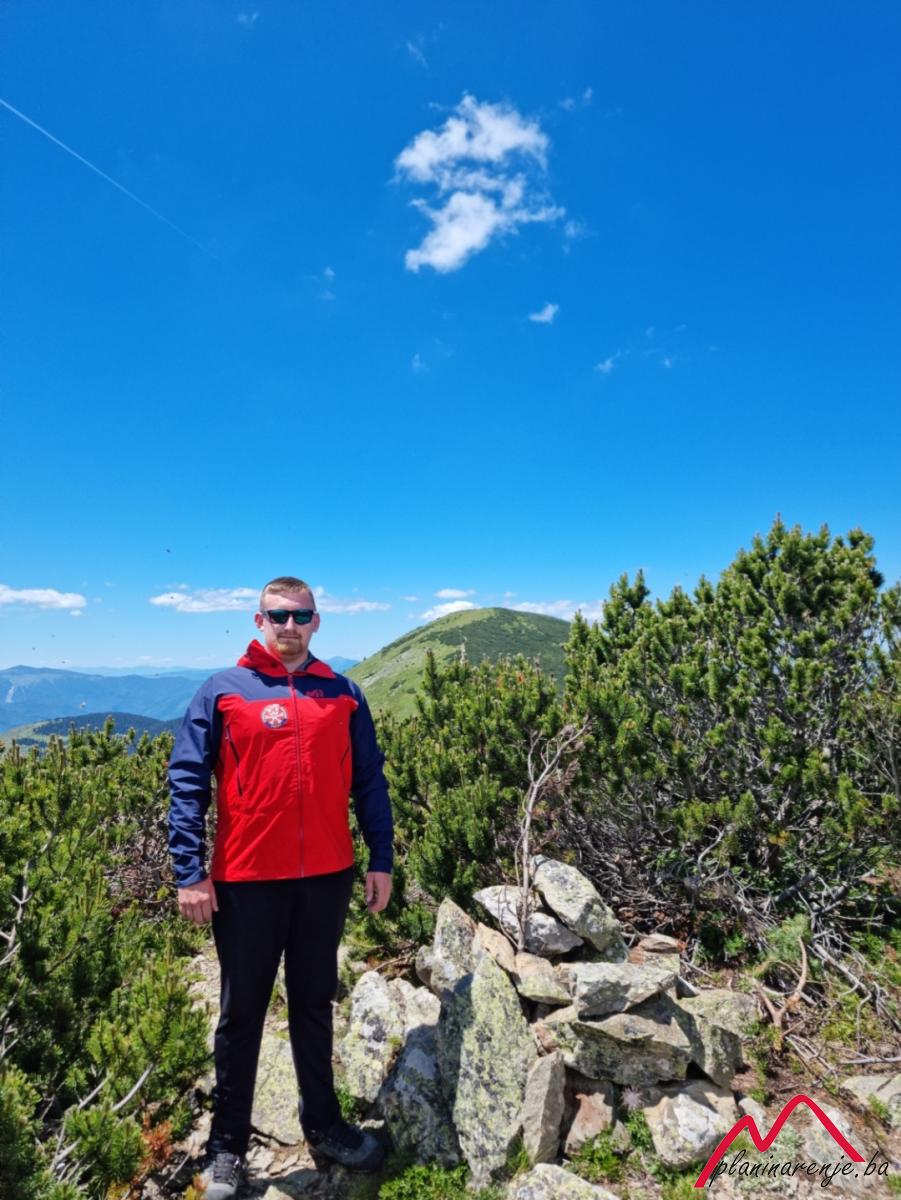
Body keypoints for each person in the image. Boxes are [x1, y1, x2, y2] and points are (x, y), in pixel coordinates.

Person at [168, 576, 393, 1199]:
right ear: (258, 619)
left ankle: (323, 1124)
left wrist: (380, 857)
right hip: (245, 881)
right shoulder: (223, 691)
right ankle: (226, 1149)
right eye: (278, 615)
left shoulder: (342, 693)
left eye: (300, 615)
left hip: (326, 875)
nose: (289, 626)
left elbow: (369, 781)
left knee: (314, 1004)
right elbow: (187, 781)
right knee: (242, 1013)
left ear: (317, 621)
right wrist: (189, 871)